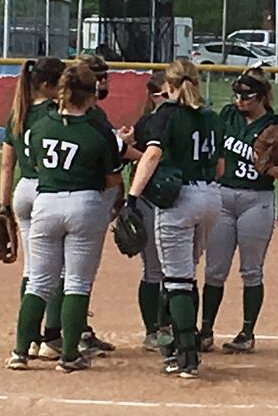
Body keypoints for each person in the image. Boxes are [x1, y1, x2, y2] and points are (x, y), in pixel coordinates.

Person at [6, 64, 123, 372]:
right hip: (84, 204)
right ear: (90, 94)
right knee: (76, 283)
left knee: (39, 282)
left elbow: (33, 163)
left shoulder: (42, 125)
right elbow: (112, 180)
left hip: (45, 203)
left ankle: (20, 352)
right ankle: (69, 356)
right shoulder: (98, 130)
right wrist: (112, 207)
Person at [126, 59, 224, 379]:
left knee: (176, 279)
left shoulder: (166, 114)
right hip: (211, 197)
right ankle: (182, 342)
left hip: (180, 200)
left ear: (167, 86)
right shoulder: (211, 116)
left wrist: (132, 197)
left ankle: (185, 355)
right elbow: (220, 167)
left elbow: (152, 155)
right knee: (185, 276)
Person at [199, 66, 278, 354]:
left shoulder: (276, 126)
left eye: (246, 96)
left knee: (251, 270)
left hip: (257, 199)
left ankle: (247, 333)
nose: (239, 101)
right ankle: (205, 331)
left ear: (262, 96)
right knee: (215, 269)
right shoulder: (228, 116)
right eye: (237, 95)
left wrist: (269, 168)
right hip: (223, 195)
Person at [35, 54, 126, 361]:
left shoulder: (56, 114)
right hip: (84, 198)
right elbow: (109, 166)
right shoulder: (90, 118)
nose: (104, 83)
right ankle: (60, 335)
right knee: (73, 276)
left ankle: (55, 335)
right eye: (100, 78)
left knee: (53, 274)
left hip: (49, 198)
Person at [0, 57, 65, 358]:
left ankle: (31, 338)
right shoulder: (52, 113)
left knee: (31, 269)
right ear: (48, 84)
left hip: (22, 190)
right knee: (58, 270)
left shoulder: (17, 112)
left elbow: (5, 165)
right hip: (45, 191)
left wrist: (2, 206)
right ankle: (52, 337)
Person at [131, 71, 169, 351]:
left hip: (170, 201)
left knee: (171, 270)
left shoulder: (182, 119)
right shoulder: (145, 123)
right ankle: (154, 330)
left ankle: (166, 327)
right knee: (155, 270)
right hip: (152, 201)